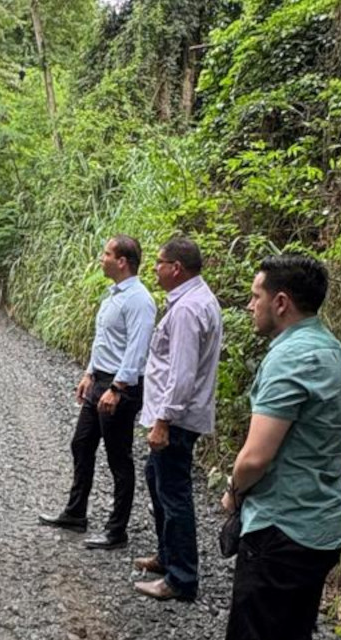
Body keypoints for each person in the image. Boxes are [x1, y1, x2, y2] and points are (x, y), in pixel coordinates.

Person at [220, 255, 341, 640]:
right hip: (323, 528)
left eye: (256, 297)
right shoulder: (340, 355)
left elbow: (255, 457)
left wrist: (234, 492)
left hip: (279, 530)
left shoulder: (288, 358)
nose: (250, 306)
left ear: (281, 302)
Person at [39, 235, 156, 550]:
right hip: (99, 381)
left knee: (119, 459)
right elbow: (103, 341)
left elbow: (137, 349)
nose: (100, 258)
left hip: (120, 387)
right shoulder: (113, 296)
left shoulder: (139, 300)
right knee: (81, 444)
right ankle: (76, 513)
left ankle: (116, 532)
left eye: (106, 254)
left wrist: (117, 388)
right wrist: (89, 373)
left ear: (122, 261)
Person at [131, 237, 223, 602]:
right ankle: (168, 557)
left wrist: (163, 421)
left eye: (159, 262)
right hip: (181, 415)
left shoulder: (187, 309)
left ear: (177, 269)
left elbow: (182, 373)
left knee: (174, 494)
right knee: (157, 480)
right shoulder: (199, 300)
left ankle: (181, 578)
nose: (154, 268)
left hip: (177, 419)